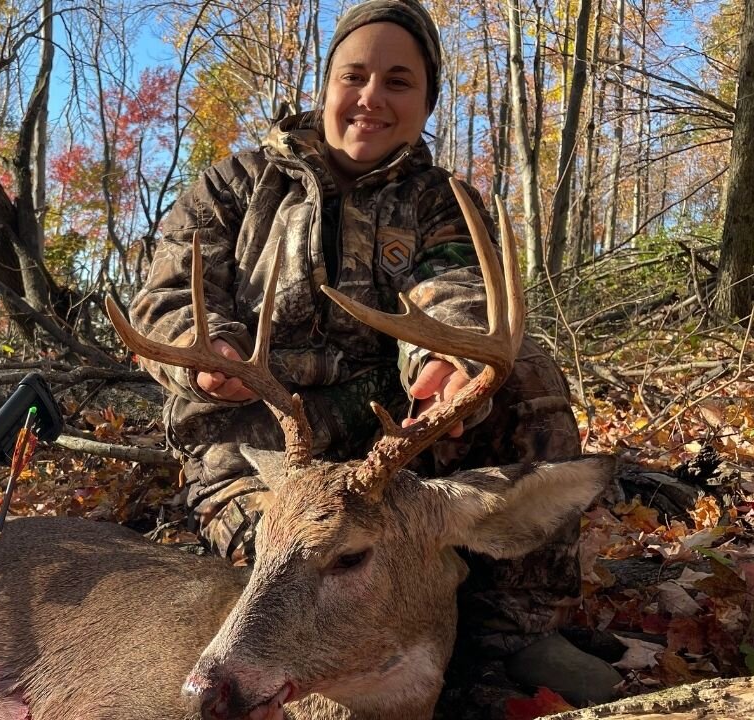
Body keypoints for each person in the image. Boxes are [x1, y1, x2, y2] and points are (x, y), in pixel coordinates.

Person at [128, 0, 621, 712]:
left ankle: (508, 640)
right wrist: (207, 356)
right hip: (256, 446)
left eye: (399, 81)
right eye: (354, 75)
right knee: (291, 587)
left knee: (526, 369)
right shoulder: (231, 189)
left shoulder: (439, 202)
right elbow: (169, 295)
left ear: (425, 101)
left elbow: (453, 288)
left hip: (381, 444)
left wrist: (441, 367)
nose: (371, 98)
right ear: (324, 83)